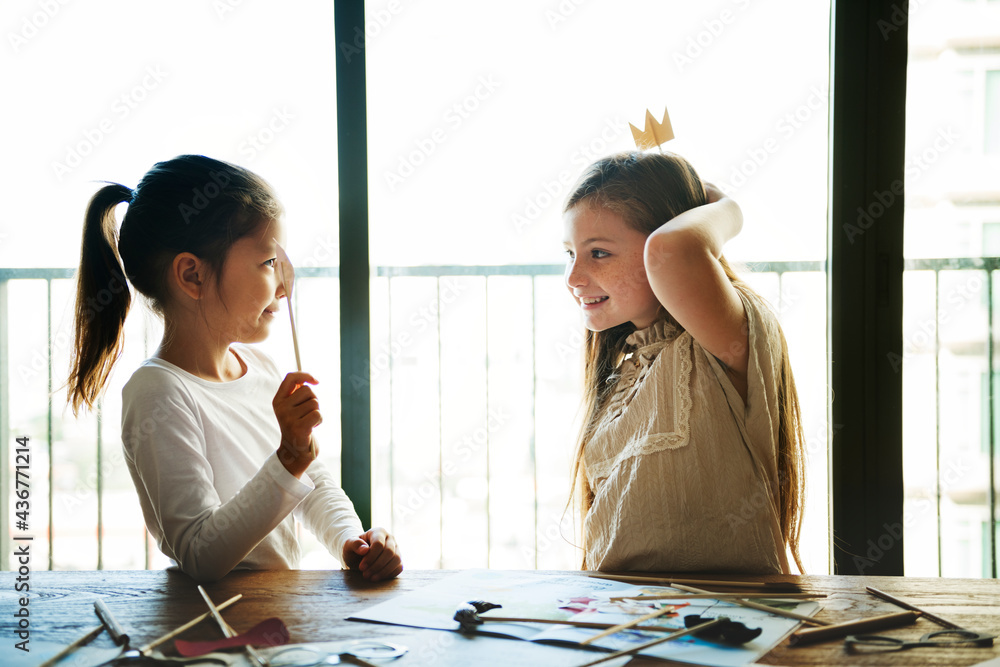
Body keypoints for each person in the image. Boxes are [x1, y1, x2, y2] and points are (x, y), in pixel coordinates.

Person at [67, 155, 402, 583]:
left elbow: (310, 478)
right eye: (268, 264)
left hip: (271, 616)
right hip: (212, 626)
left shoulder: (259, 367)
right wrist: (287, 459)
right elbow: (199, 553)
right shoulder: (159, 392)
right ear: (192, 275)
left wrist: (351, 541)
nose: (284, 284)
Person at [563, 151, 805, 574]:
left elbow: (674, 251)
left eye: (598, 253)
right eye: (570, 254)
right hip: (624, 620)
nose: (573, 277)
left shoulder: (721, 335)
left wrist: (725, 206)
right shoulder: (628, 366)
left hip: (725, 620)